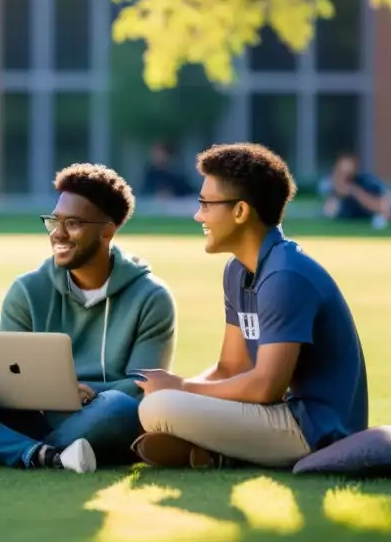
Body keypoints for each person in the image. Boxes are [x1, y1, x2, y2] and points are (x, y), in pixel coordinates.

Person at [0, 163, 177, 473]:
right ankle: (47, 455)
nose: (57, 234)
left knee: (119, 407)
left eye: (73, 224)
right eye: (54, 222)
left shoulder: (151, 298)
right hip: (34, 413)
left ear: (107, 230)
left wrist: (90, 391)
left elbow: (143, 384)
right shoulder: (27, 290)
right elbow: (8, 378)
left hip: (99, 413)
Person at [133, 143, 369, 470]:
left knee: (157, 409)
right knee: (156, 404)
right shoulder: (237, 271)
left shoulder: (285, 275)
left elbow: (266, 386)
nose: (197, 215)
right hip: (276, 414)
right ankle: (214, 453)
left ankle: (214, 450)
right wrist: (177, 391)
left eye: (205, 204)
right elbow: (230, 368)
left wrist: (181, 388)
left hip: (314, 428)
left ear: (241, 212)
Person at [319, 152, 389, 224]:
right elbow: (329, 211)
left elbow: (382, 205)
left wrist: (354, 191)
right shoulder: (329, 186)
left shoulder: (366, 181)